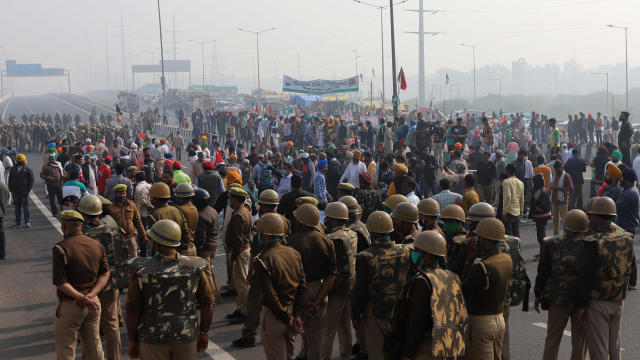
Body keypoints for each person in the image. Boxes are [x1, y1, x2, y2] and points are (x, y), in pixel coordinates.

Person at [126, 219, 214, 359]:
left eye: (151, 240)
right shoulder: (194, 268)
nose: (149, 242)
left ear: (157, 244)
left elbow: (132, 309)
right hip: (186, 336)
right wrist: (203, 332)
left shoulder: (142, 271)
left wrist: (132, 340)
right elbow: (208, 303)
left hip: (152, 339)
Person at [389, 230, 468, 360]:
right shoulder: (452, 276)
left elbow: (416, 323)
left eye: (416, 251)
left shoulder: (422, 281)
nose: (412, 254)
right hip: (448, 344)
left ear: (427, 255)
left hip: (427, 345)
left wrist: (408, 354)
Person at [576, 197, 635, 360]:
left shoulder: (594, 242)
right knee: (614, 347)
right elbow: (632, 266)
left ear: (595, 217)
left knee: (599, 349)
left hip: (598, 301)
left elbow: (585, 276)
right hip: (618, 299)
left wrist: (581, 305)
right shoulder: (626, 236)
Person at [79, 195, 131, 360]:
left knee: (89, 326)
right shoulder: (114, 230)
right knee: (111, 324)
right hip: (111, 283)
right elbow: (124, 256)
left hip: (88, 287)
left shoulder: (81, 234)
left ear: (83, 213)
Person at [352, 211, 410, 360]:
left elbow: (360, 291)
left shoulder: (365, 257)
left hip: (374, 314)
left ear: (372, 232)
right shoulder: (405, 251)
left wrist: (355, 315)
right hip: (398, 312)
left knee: (377, 354)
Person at [52, 210, 110, 360]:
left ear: (63, 227)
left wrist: (81, 298)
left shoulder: (61, 248)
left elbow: (61, 282)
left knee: (66, 349)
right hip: (93, 304)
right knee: (94, 347)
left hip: (70, 304)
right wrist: (91, 295)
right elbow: (105, 274)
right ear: (81, 226)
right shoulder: (96, 245)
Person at [533, 209, 589, 360]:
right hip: (581, 302)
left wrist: (538, 294)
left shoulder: (550, 243)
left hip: (557, 299)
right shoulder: (590, 246)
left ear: (565, 224)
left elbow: (542, 273)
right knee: (579, 342)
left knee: (553, 339)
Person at [251, 213, 305, 360]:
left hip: (275, 316)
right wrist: (298, 315)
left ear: (267, 236)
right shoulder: (294, 253)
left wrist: (285, 318)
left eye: (260, 233)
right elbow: (302, 286)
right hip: (293, 312)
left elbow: (269, 294)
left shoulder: (263, 259)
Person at [287, 203, 336, 360]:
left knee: (298, 333)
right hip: (319, 289)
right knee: (315, 335)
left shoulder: (293, 241)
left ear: (301, 221)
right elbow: (331, 276)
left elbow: (290, 274)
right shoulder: (327, 241)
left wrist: (303, 300)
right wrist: (316, 301)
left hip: (298, 290)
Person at [461, 218, 513, 360]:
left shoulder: (482, 266)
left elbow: (464, 290)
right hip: (499, 320)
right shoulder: (507, 259)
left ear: (484, 241)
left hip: (481, 323)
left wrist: (468, 260)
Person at [321, 202, 358, 360]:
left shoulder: (333, 238)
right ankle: (345, 355)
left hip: (337, 288)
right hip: (350, 285)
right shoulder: (352, 233)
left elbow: (329, 266)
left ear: (333, 220)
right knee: (344, 327)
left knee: (327, 331)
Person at [225, 186, 253, 325]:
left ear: (235, 199)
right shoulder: (244, 211)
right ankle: (240, 308)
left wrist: (232, 260)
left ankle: (246, 311)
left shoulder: (238, 215)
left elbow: (237, 240)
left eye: (230, 197)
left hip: (240, 252)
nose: (229, 199)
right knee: (239, 283)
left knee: (242, 285)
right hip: (243, 251)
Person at [616, 167, 640, 289]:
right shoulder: (629, 190)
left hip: (626, 227)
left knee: (627, 255)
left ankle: (631, 282)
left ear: (627, 179)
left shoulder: (629, 193)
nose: (621, 179)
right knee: (628, 254)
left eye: (622, 177)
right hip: (627, 226)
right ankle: (631, 282)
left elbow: (615, 207)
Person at [109, 184, 146, 258]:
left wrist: (144, 235)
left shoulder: (131, 205)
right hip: (117, 239)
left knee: (133, 259)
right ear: (115, 194)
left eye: (123, 193)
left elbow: (138, 221)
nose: (122, 195)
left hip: (131, 237)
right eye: (119, 193)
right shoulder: (110, 206)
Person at [8, 153, 34, 228]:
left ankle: (27, 222)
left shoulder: (27, 169)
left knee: (26, 208)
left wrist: (28, 189)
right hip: (15, 192)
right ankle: (17, 222)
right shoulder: (13, 169)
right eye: (18, 159)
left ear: (24, 160)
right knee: (17, 208)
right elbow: (10, 179)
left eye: (20, 159)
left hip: (24, 192)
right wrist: (10, 188)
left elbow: (31, 180)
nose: (19, 160)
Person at [529, 174, 552, 257]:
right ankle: (542, 252)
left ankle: (544, 253)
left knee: (541, 236)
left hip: (541, 216)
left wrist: (539, 208)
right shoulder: (542, 189)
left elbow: (544, 205)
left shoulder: (540, 191)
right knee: (541, 235)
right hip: (542, 216)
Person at [174, 183, 198, 256]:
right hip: (192, 247)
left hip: (183, 249)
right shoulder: (194, 208)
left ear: (180, 197)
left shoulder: (179, 209)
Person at [550, 161, 573, 236]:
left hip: (562, 202)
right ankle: (556, 236)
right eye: (556, 169)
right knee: (555, 220)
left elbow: (571, 188)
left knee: (564, 220)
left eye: (558, 169)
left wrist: (557, 188)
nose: (557, 171)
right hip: (554, 201)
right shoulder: (555, 175)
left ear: (561, 167)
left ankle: (566, 236)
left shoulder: (566, 176)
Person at [502, 163, 524, 237]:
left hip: (509, 211)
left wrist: (504, 211)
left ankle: (511, 249)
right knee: (516, 234)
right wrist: (521, 210)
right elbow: (522, 198)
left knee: (508, 236)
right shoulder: (521, 183)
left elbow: (508, 197)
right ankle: (518, 248)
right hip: (517, 211)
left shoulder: (506, 182)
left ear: (507, 171)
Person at [0, 181, 7, 259]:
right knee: (1, 233)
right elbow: (6, 197)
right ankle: (2, 253)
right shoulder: (3, 185)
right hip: (1, 213)